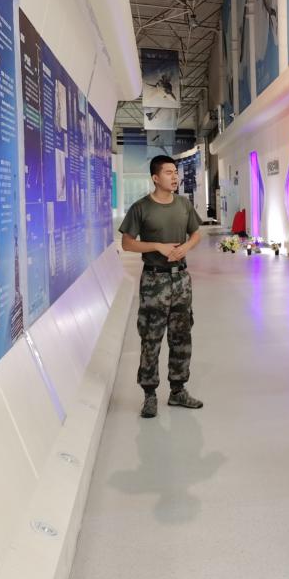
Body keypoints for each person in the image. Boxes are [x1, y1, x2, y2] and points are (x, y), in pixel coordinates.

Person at [120, 156, 204, 418]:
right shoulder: (141, 208)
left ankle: (178, 390)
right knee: (151, 337)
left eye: (175, 172)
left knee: (181, 336)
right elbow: (127, 243)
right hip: (154, 282)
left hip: (181, 280)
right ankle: (149, 395)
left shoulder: (184, 205)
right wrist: (157, 246)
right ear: (155, 178)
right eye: (168, 172)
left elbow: (196, 233)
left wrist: (185, 248)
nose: (175, 176)